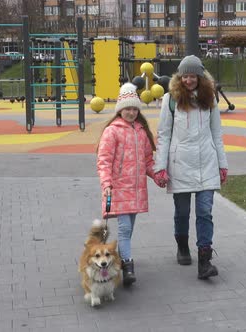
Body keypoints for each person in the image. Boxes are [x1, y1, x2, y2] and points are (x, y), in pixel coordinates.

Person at [154, 55, 228, 280]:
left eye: (193, 75)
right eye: (185, 76)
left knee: (205, 212)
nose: (189, 80)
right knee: (183, 212)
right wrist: (160, 167)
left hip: (206, 161)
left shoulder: (210, 99)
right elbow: (164, 135)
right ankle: (182, 246)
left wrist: (222, 164)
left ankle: (204, 260)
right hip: (180, 163)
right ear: (179, 77)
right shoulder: (170, 100)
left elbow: (217, 134)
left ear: (200, 76)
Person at [97, 82, 162, 286]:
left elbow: (147, 161)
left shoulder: (141, 132)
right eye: (128, 109)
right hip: (118, 188)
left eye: (135, 108)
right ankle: (127, 265)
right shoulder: (112, 132)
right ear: (120, 110)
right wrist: (106, 183)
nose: (132, 112)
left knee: (130, 228)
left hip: (136, 190)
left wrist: (157, 175)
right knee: (124, 229)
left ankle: (119, 258)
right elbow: (104, 160)